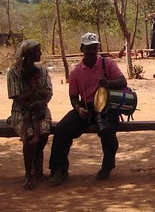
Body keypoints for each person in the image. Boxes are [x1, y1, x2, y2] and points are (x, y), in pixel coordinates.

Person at [49, 33, 127, 185]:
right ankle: (59, 169)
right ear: (81, 49)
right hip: (86, 106)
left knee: (107, 130)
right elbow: (73, 97)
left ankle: (107, 165)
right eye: (88, 48)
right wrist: (78, 109)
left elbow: (122, 81)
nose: (91, 51)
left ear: (98, 48)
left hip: (106, 106)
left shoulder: (107, 63)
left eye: (94, 47)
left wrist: (107, 83)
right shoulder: (76, 72)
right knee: (61, 129)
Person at [8, 40, 52, 190]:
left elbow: (48, 93)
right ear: (27, 54)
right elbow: (15, 97)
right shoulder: (13, 72)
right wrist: (30, 106)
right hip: (21, 110)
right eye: (37, 50)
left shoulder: (43, 71)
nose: (40, 53)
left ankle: (34, 163)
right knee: (28, 134)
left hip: (40, 108)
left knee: (44, 131)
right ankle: (29, 173)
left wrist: (41, 104)